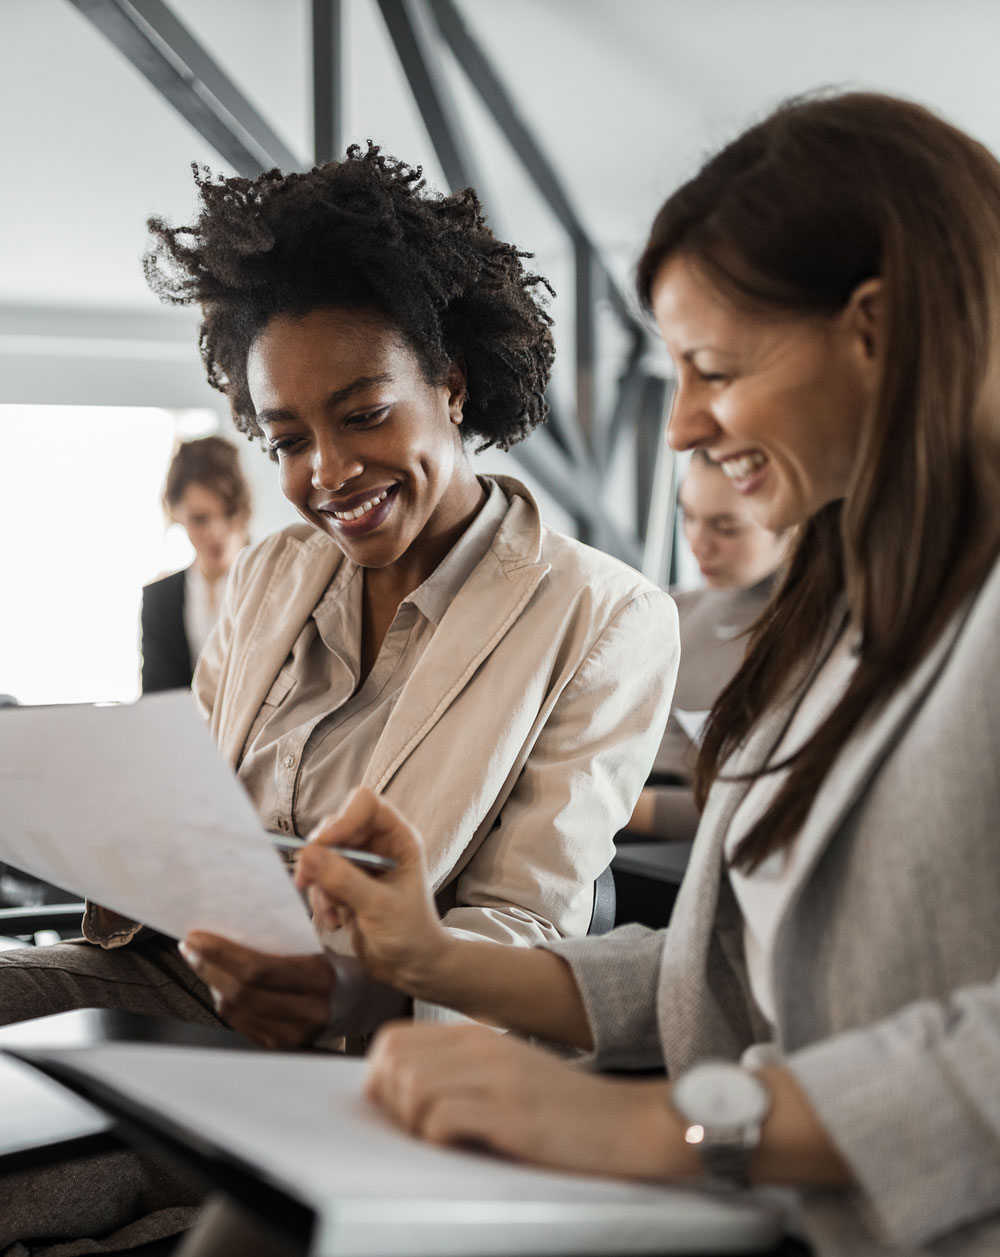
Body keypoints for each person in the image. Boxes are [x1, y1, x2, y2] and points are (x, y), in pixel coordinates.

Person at [288, 93, 1000, 1257]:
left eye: (710, 367)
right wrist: (434, 958)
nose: (679, 429)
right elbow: (723, 971)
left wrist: (663, 1128)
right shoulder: (836, 622)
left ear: (879, 329)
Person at [0, 146, 676, 1254]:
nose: (325, 473)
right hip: (172, 978)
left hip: (364, 1045)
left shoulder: (602, 615)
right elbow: (200, 825)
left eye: (363, 415)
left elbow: (526, 918)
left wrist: (357, 997)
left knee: (44, 1175)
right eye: (289, 440)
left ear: (450, 388)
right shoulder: (271, 573)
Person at [626, 449, 789, 840]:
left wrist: (605, 805)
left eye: (727, 528)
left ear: (792, 524)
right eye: (689, 516)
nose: (699, 544)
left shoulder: (807, 640)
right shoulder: (669, 608)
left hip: (658, 848)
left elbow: (767, 810)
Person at [141, 435, 251, 692]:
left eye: (229, 513)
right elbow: (156, 698)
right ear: (176, 513)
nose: (216, 532)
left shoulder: (278, 585)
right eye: (200, 519)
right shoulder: (159, 599)